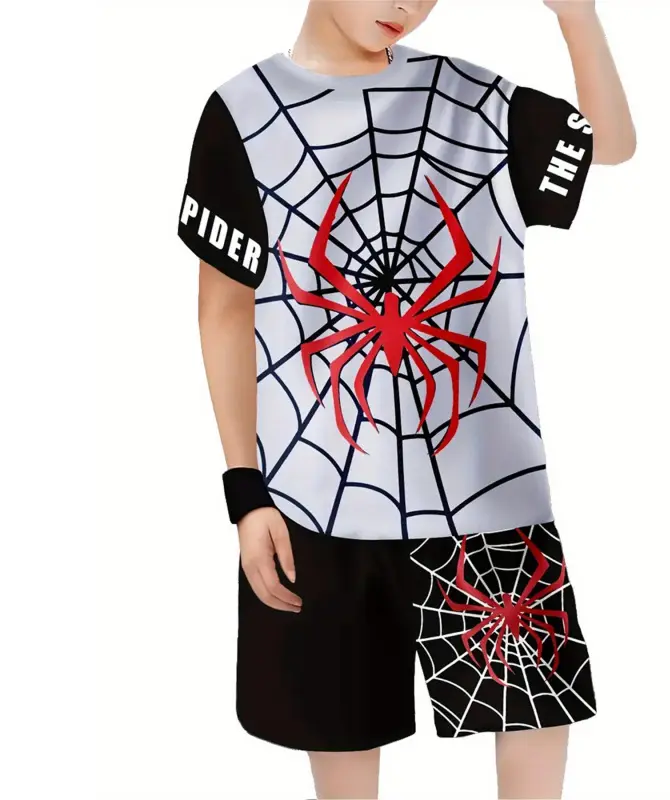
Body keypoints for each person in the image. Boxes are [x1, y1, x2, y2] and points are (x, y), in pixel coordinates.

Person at [176, 1, 635, 798]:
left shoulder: (472, 102)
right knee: (341, 735)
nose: (405, 4)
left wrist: (576, 15)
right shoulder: (242, 112)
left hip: (488, 494)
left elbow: (613, 146)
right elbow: (224, 310)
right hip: (317, 503)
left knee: (534, 714)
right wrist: (245, 491)